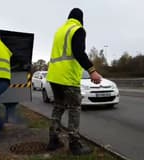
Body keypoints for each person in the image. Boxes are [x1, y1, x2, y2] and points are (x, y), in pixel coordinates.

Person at [46, 8, 102, 155]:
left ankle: (53, 140)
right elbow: (78, 52)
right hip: (68, 78)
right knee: (74, 109)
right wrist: (92, 70)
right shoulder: (78, 29)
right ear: (81, 19)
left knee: (58, 107)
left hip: (54, 76)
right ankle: (74, 144)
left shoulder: (60, 31)